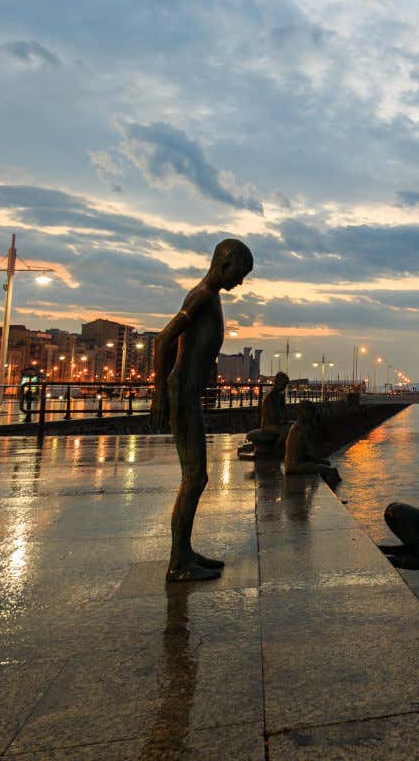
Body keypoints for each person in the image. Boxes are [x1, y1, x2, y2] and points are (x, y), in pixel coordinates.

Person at [149, 239, 253, 582]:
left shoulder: (213, 297)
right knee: (195, 477)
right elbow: (163, 340)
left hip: (189, 395)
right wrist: (160, 395)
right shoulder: (202, 296)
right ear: (224, 264)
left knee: (196, 476)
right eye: (240, 273)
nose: (240, 282)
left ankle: (185, 551)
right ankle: (178, 562)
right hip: (180, 395)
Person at [283, 400, 342, 490]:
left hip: (291, 464)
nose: (313, 414)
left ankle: (325, 489)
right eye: (311, 411)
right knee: (332, 471)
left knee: (325, 463)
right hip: (296, 466)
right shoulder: (305, 429)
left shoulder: (296, 425)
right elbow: (314, 453)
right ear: (304, 412)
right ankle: (337, 497)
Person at [241, 372, 289, 456]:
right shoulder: (270, 397)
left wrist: (284, 419)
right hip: (269, 424)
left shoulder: (280, 397)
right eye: (284, 384)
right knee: (285, 431)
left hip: (277, 423)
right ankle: (277, 449)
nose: (285, 387)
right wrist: (281, 420)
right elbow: (271, 414)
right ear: (279, 383)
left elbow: (283, 413)